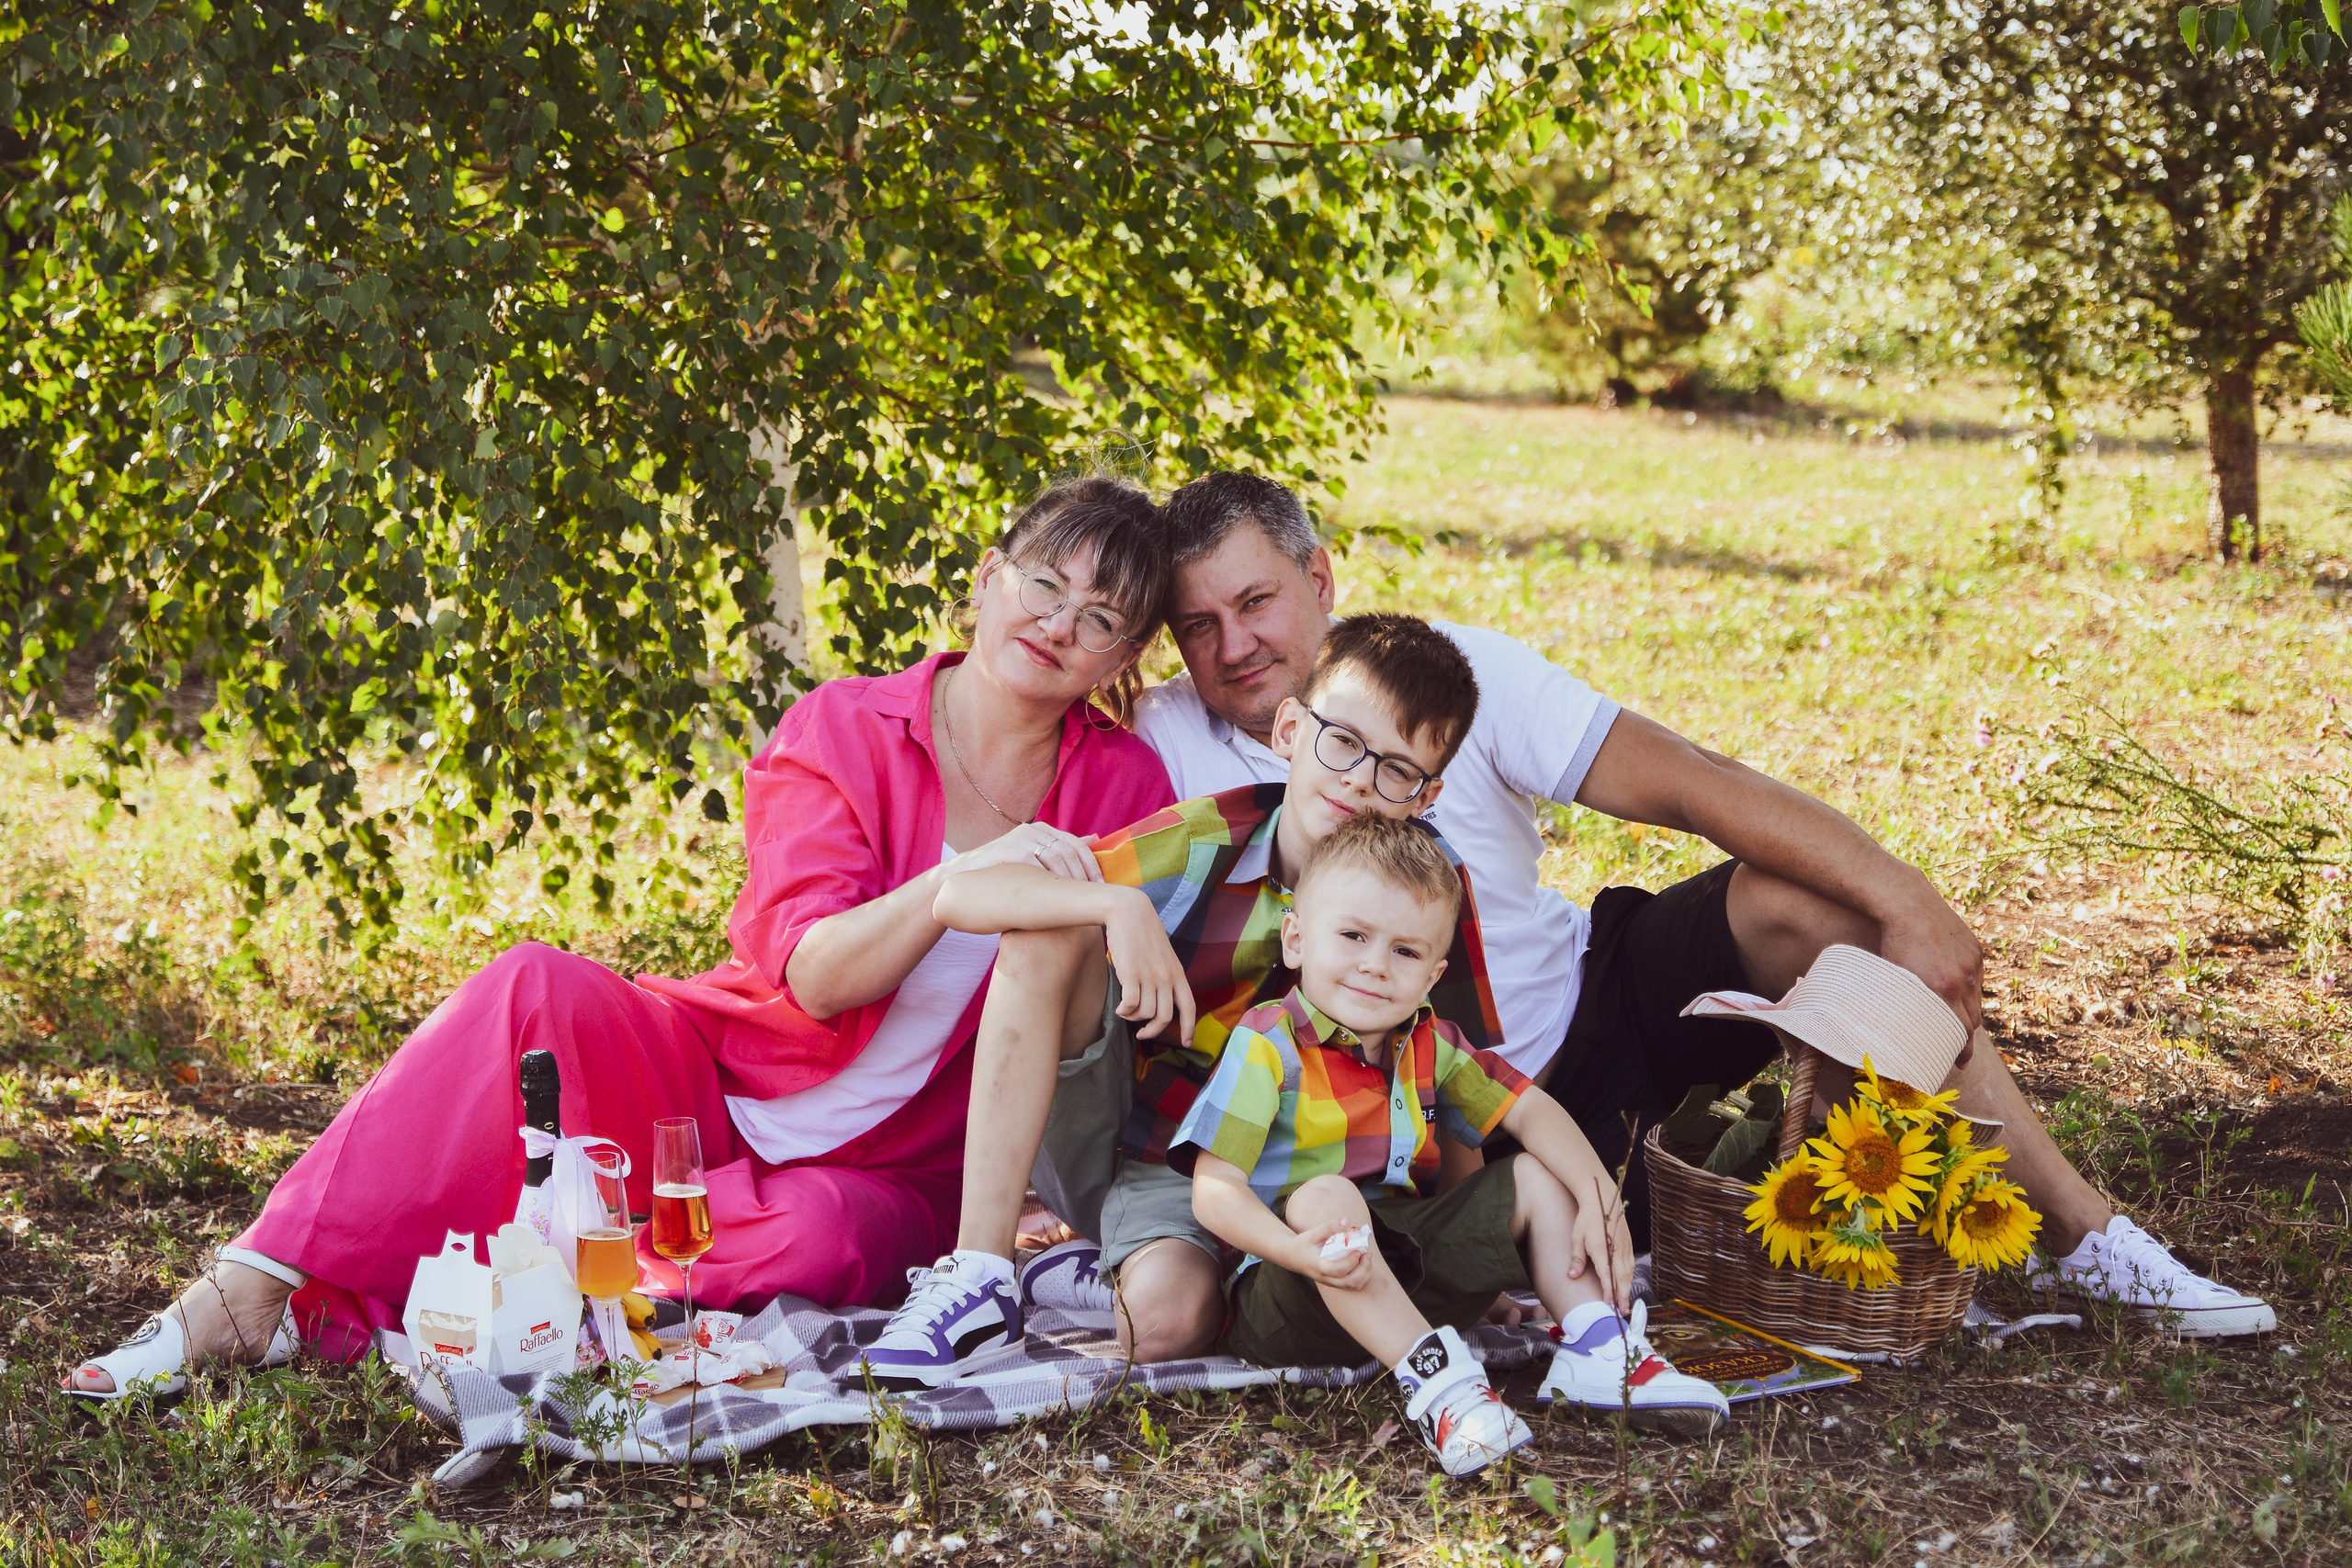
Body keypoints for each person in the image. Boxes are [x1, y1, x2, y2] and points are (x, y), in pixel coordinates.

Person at [64, 477, 1180, 1398]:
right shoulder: (845, 724)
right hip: (714, 1085)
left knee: (818, 1240)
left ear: (1120, 658)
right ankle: (250, 1286)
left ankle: (512, 1281)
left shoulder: (1122, 785)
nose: (1058, 625)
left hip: (886, 1169)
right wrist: (951, 886)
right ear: (986, 579)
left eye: (1100, 619)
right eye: (1044, 584)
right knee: (531, 983)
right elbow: (813, 977)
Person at [1131, 470, 2276, 1341]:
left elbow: (1691, 783)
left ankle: (2087, 1238)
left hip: (1594, 1006)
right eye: (1198, 624)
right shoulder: (1162, 741)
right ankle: (1795, 1231)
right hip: (1441, 1123)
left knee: (1808, 908)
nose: (1234, 645)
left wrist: (1905, 895)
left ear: (1321, 579)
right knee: (1557, 1225)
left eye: (1256, 601)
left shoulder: (1446, 679)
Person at [858, 615, 1535, 1389]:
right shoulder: (1208, 840)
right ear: (1290, 729)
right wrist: (1117, 906)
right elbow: (964, 896)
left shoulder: (1429, 887)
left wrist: (1467, 1263)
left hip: (1332, 1181)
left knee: (1211, 1308)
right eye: (1343, 742)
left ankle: (1100, 1267)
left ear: (1426, 796)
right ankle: (982, 1273)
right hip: (1163, 1155)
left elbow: (1449, 1077)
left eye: (1396, 770)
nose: (1357, 780)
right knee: (1162, 1324)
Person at [1176, 815, 1730, 1478]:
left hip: (1408, 1268)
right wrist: (1298, 1252)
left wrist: (1599, 1198)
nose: (1375, 965)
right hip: (1293, 1293)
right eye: (1352, 936)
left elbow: (1530, 1110)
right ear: (1296, 938)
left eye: (1405, 952)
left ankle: (1598, 1347)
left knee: (1535, 1172)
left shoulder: (1432, 1041)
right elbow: (1215, 1191)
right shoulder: (1267, 1044)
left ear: (1433, 974)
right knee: (1325, 1195)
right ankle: (1445, 1391)